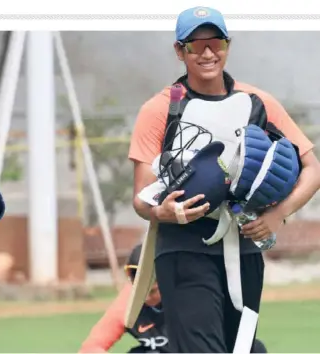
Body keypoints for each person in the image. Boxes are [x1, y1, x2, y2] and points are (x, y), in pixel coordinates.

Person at [128, 6, 320, 353]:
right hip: (184, 248)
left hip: (244, 246)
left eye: (216, 42)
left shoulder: (256, 102)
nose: (207, 52)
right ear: (179, 51)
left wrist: (278, 215)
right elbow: (142, 197)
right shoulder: (160, 108)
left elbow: (312, 168)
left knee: (243, 349)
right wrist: (160, 212)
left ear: (228, 45)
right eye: (194, 45)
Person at [79, 244, 268, 353]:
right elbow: (93, 346)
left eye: (152, 291)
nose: (145, 296)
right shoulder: (127, 301)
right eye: (139, 289)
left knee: (254, 349)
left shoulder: (191, 292)